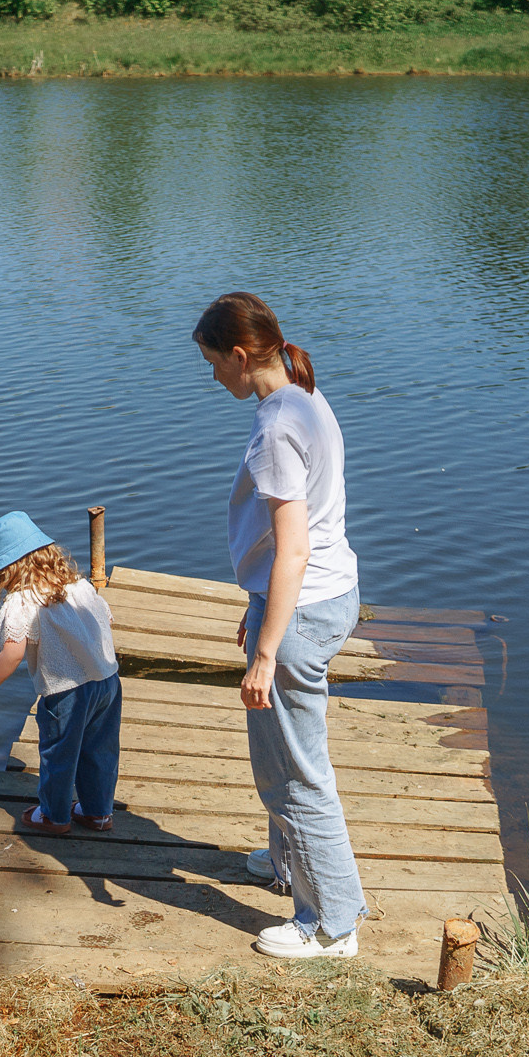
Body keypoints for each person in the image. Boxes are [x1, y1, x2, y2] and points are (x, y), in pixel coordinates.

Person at [194, 291, 367, 959]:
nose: (212, 376)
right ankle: (286, 862)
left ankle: (331, 924)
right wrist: (257, 607)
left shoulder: (273, 429)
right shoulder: (303, 396)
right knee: (279, 754)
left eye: (214, 363)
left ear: (241, 357)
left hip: (300, 605)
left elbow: (293, 545)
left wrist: (268, 649)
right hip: (324, 593)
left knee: (294, 773)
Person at [0, 511, 122, 837]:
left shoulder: (22, 601)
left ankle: (54, 816)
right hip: (108, 681)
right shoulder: (79, 586)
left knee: (58, 754)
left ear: (5, 572)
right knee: (100, 749)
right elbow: (105, 621)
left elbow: (12, 652)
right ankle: (97, 813)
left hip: (66, 691)